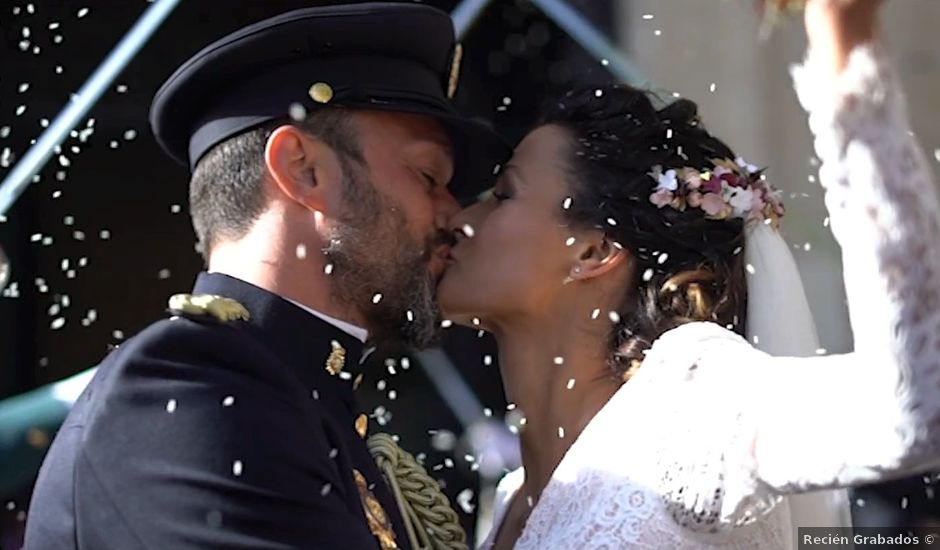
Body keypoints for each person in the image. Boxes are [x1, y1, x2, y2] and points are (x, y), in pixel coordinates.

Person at [437, 0, 940, 547]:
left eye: (504, 194)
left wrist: (846, 57)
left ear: (595, 251)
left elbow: (906, 408)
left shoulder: (687, 408)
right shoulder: (514, 496)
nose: (462, 219)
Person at [24, 3, 508, 549]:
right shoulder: (190, 388)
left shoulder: (296, 393)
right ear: (305, 171)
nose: (453, 215)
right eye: (429, 176)